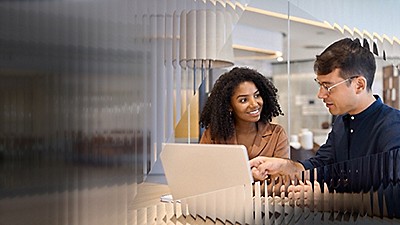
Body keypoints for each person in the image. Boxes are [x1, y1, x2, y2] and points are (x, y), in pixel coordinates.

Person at [199, 67, 289, 182]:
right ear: (229, 106)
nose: (254, 104)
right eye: (243, 100)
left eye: (257, 95)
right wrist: (248, 177)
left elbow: (282, 181)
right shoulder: (214, 135)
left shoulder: (276, 134)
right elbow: (204, 176)